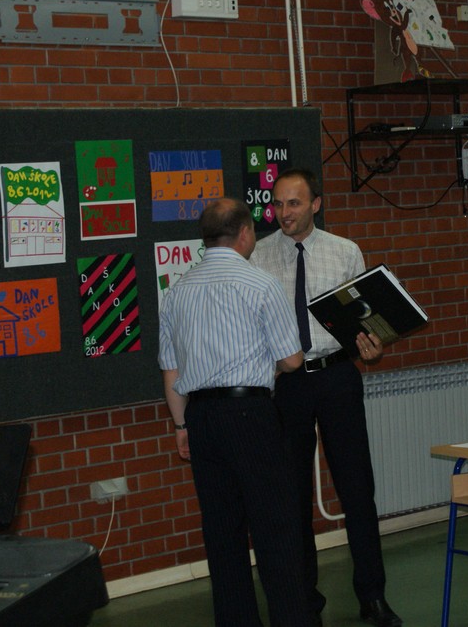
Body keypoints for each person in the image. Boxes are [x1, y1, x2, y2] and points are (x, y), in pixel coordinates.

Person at [249, 168, 401, 627]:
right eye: (278, 204)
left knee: (357, 490)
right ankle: (304, 602)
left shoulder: (344, 251)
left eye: (293, 203)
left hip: (336, 376)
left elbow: (368, 322)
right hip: (286, 384)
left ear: (315, 204)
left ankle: (373, 596)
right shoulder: (258, 255)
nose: (284, 212)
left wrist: (373, 347)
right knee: (292, 496)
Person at [158, 198, 311, 627]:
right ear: (245, 233)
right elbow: (292, 360)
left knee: (222, 533)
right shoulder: (260, 284)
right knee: (276, 529)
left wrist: (181, 425)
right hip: (250, 415)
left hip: (201, 418)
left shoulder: (176, 292)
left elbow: (171, 370)